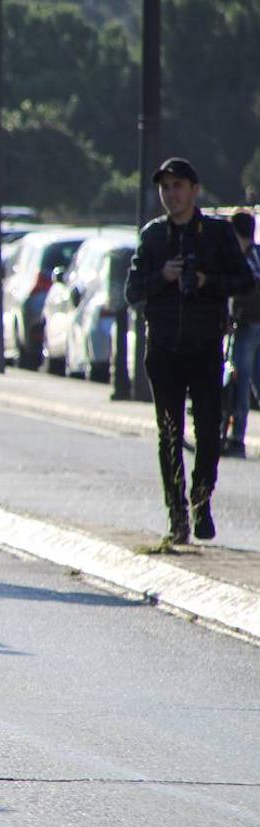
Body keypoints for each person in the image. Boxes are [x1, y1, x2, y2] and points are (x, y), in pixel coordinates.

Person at [126, 158, 255, 543]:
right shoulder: (152, 236)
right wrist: (161, 276)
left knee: (209, 431)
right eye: (165, 188)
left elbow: (245, 279)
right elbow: (132, 292)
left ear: (194, 190)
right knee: (169, 433)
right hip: (164, 346)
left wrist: (207, 280)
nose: (171, 194)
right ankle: (176, 515)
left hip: (204, 345)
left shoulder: (215, 234)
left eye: (178, 186)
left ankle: (201, 499)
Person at [224, 211, 260, 457]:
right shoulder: (256, 253)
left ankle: (237, 438)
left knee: (239, 382)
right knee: (256, 381)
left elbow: (245, 289)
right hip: (253, 325)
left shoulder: (245, 258)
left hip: (248, 325)